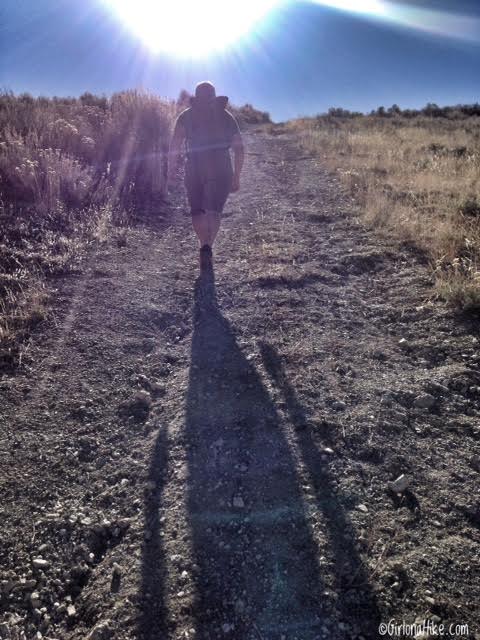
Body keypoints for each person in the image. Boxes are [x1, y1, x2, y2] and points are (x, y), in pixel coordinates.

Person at [167, 81, 244, 271]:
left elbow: (175, 145)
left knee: (197, 211)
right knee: (214, 210)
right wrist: (237, 176)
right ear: (214, 96)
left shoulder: (186, 116)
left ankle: (203, 245)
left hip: (194, 167)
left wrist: (171, 171)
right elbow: (239, 148)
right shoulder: (227, 117)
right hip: (222, 167)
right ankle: (208, 245)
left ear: (196, 97)